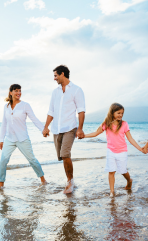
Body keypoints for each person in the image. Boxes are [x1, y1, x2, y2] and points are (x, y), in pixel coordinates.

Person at [84, 103, 145, 197]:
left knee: (123, 170)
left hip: (122, 151)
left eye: (122, 113)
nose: (120, 115)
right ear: (112, 113)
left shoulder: (124, 124)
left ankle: (129, 180)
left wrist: (140, 148)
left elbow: (130, 139)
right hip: (111, 151)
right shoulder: (106, 123)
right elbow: (96, 133)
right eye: (118, 113)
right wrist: (84, 135)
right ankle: (112, 192)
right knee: (111, 171)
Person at [42, 65, 86, 194]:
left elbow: (81, 110)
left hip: (70, 127)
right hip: (56, 129)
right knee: (61, 156)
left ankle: (70, 181)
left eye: (55, 75)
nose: (54, 78)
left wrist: (80, 129)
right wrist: (46, 127)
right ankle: (69, 179)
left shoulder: (77, 90)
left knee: (65, 154)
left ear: (62, 74)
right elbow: (51, 111)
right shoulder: (55, 92)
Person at [0, 84, 47, 189]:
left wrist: (43, 129)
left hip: (22, 138)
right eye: (16, 91)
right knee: (3, 161)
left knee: (32, 160)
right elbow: (4, 123)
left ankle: (43, 180)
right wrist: (1, 140)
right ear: (10, 92)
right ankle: (1, 185)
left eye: (20, 91)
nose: (18, 93)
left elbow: (34, 119)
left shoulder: (25, 105)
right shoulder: (6, 107)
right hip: (9, 139)